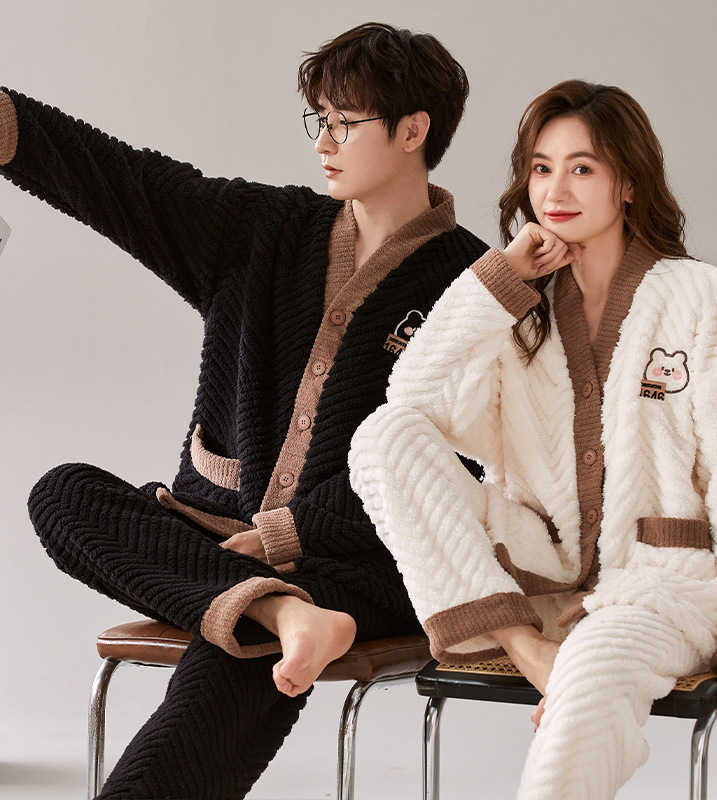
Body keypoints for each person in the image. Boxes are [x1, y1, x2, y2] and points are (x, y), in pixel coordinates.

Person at [0, 22, 487, 800]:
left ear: (412, 131)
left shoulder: (477, 286)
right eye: (318, 118)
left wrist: (289, 537)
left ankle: (279, 611)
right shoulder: (263, 230)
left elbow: (444, 468)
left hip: (358, 564)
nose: (322, 140)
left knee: (228, 656)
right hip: (215, 540)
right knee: (62, 493)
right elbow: (123, 180)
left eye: (345, 122)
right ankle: (282, 614)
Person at [350, 79, 717, 799]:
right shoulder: (516, 305)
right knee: (381, 436)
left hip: (656, 592)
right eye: (541, 167)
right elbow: (412, 404)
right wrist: (501, 278)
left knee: (591, 677)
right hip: (529, 580)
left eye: (582, 167)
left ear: (629, 183)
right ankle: (528, 648)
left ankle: (569, 670)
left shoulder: (697, 296)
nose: (555, 190)